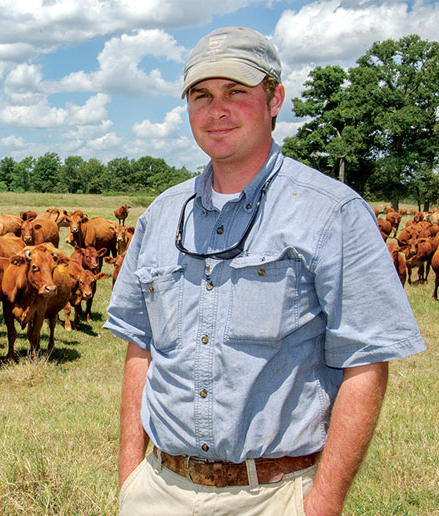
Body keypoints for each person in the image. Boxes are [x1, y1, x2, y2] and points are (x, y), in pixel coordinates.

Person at [104, 26, 425, 516]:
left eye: (237, 91)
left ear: (275, 98)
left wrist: (321, 503)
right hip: (160, 489)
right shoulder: (162, 215)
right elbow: (140, 348)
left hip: (272, 495)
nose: (217, 110)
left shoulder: (331, 212)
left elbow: (366, 363)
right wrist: (131, 477)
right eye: (201, 94)